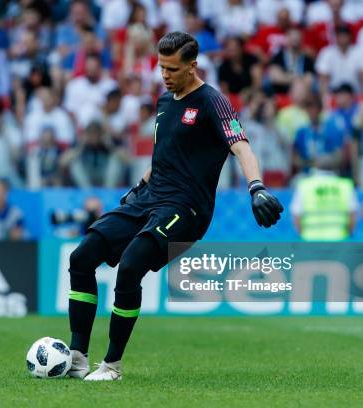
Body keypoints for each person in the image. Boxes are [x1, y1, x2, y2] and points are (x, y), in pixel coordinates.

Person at [66, 32, 283, 381]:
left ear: (192, 66)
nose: (164, 74)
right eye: (160, 67)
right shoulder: (165, 102)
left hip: (187, 207)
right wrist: (139, 186)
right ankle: (77, 357)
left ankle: (112, 365)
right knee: (82, 256)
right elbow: (164, 154)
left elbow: (241, 146)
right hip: (148, 198)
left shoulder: (214, 102)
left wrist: (256, 187)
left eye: (172, 68)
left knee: (131, 264)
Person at [290, 168, 358, 241]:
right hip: (339, 240)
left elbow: (296, 215)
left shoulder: (304, 185)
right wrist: (348, 234)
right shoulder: (345, 185)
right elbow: (352, 216)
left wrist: (302, 235)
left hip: (310, 240)